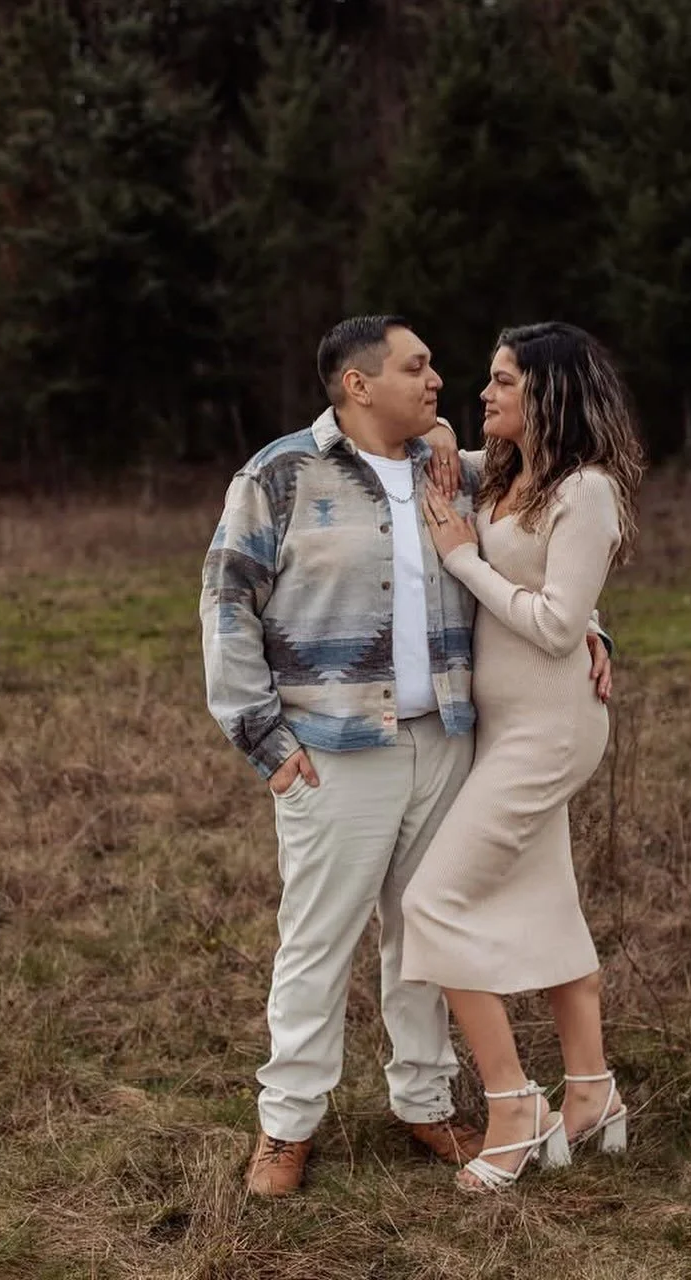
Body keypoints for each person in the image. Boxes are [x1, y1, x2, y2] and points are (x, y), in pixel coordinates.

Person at [199, 315, 613, 1197]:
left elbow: (539, 553)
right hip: (332, 749)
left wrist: (594, 631)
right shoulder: (279, 475)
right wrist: (263, 738)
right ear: (358, 384)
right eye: (416, 368)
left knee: (424, 934)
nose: (437, 382)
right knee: (318, 940)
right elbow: (228, 604)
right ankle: (287, 1125)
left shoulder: (456, 473)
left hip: (450, 738)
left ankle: (424, 1103)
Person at [401, 321, 643, 1193]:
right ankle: (592, 1092)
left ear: (549, 392)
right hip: (504, 730)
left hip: (551, 730)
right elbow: (430, 446)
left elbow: (555, 624)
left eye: (503, 381)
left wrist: (463, 560)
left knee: (432, 904)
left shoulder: (587, 492)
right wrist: (437, 429)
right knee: (547, 903)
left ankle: (514, 1106)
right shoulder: (502, 473)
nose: (485, 393)